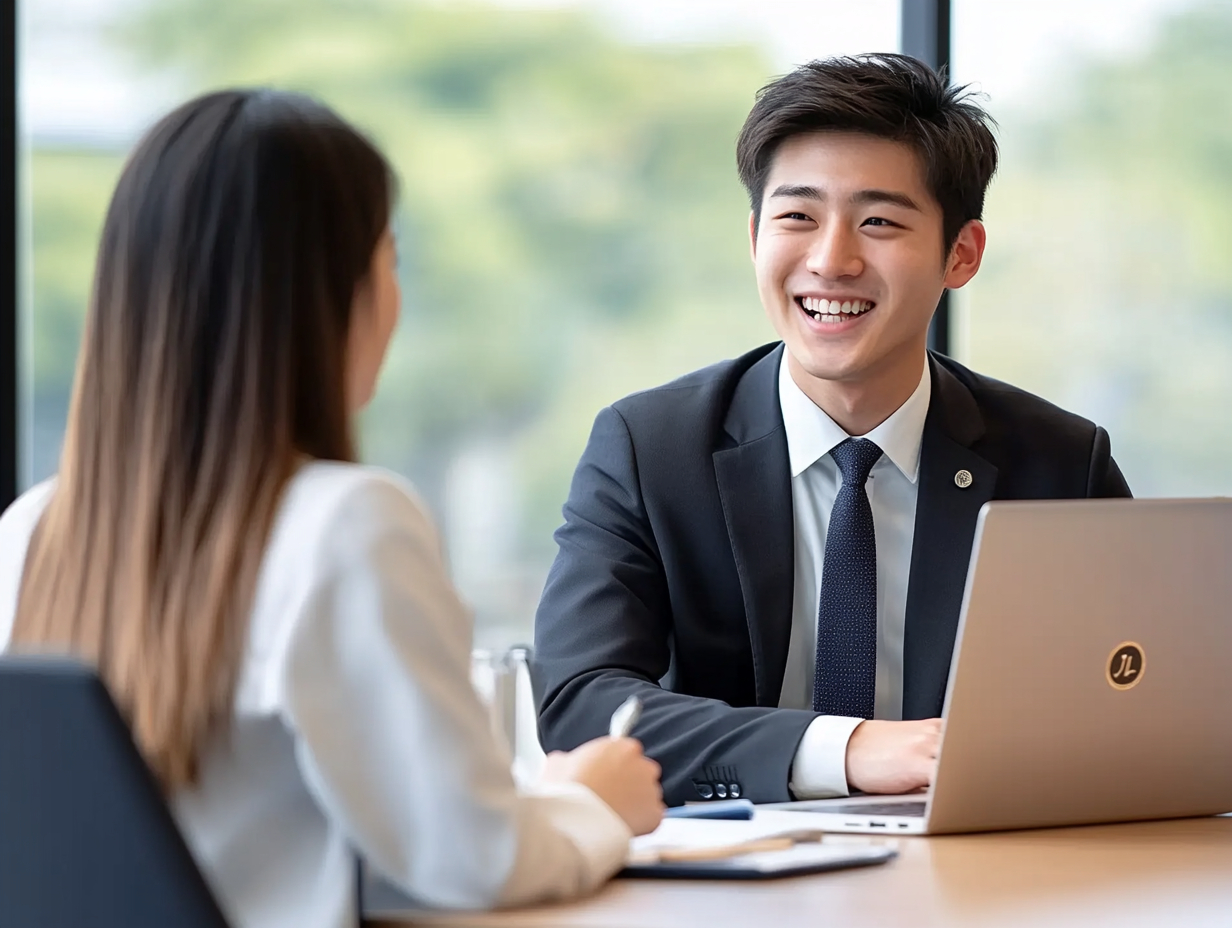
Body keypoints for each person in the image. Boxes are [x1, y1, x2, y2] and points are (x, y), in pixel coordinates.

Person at [0, 89, 663, 928]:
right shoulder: (342, 524)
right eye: (387, 259)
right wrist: (589, 799)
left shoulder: (32, 532)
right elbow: (477, 861)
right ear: (330, 293)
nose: (395, 299)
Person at [532, 54, 1132, 808]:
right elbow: (582, 704)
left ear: (961, 253)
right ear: (755, 236)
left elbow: (1131, 710)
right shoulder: (650, 450)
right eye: (797, 217)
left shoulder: (1060, 464)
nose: (830, 260)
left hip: (977, 878)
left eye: (878, 221)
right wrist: (846, 750)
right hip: (726, 883)